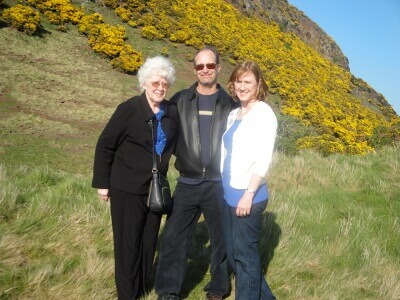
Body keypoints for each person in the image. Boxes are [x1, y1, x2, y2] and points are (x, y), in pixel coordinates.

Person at [155, 46, 238, 300]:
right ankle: (168, 291)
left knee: (221, 239)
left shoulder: (230, 105)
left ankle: (218, 287)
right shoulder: (180, 100)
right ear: (194, 70)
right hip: (188, 182)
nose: (205, 70)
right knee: (173, 238)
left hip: (218, 183)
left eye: (210, 66)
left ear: (218, 69)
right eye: (200, 66)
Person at [92, 56, 178, 300]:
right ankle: (127, 294)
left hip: (154, 189)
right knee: (128, 243)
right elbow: (105, 145)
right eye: (155, 83)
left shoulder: (171, 111)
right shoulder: (129, 109)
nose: (160, 88)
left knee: (149, 241)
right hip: (125, 187)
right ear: (144, 84)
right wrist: (102, 183)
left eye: (164, 84)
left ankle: (140, 289)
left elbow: (177, 145)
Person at [221, 61, 277, 300]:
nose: (242, 86)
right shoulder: (235, 113)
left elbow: (263, 158)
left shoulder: (263, 113)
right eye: (238, 81)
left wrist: (249, 194)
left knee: (246, 258)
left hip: (247, 196)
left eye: (248, 82)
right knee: (235, 255)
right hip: (228, 194)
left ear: (258, 85)